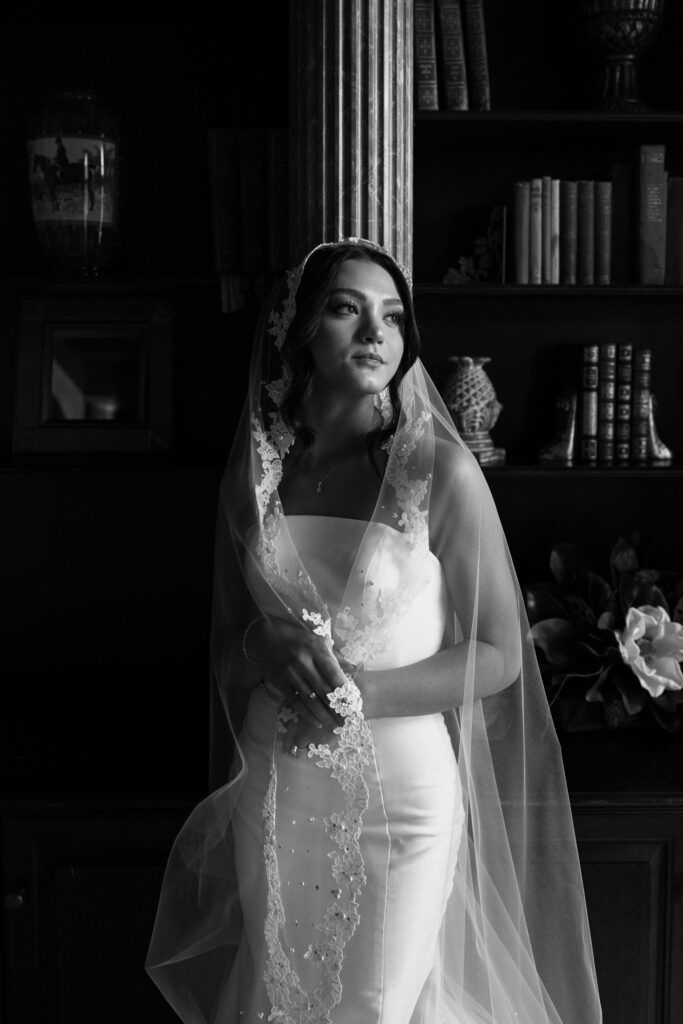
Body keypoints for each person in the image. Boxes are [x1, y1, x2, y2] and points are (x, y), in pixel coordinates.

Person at [147, 238, 602, 1024]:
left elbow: (497, 652)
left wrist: (360, 694)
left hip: (399, 797)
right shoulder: (256, 474)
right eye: (344, 309)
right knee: (280, 999)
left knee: (374, 1006)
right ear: (296, 334)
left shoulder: (439, 472)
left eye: (392, 317)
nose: (374, 335)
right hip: (274, 781)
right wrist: (261, 647)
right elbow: (228, 642)